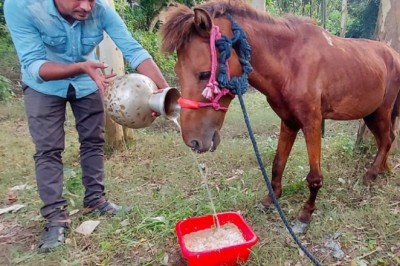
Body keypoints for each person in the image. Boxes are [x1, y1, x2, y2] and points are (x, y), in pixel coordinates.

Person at [4, 0, 170, 252]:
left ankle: (95, 200)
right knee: (48, 149)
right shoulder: (21, 6)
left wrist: (165, 91)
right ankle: (55, 217)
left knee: (93, 141)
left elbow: (133, 50)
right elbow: (35, 65)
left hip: (88, 82)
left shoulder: (102, 9)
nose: (87, 6)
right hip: (43, 86)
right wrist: (81, 66)